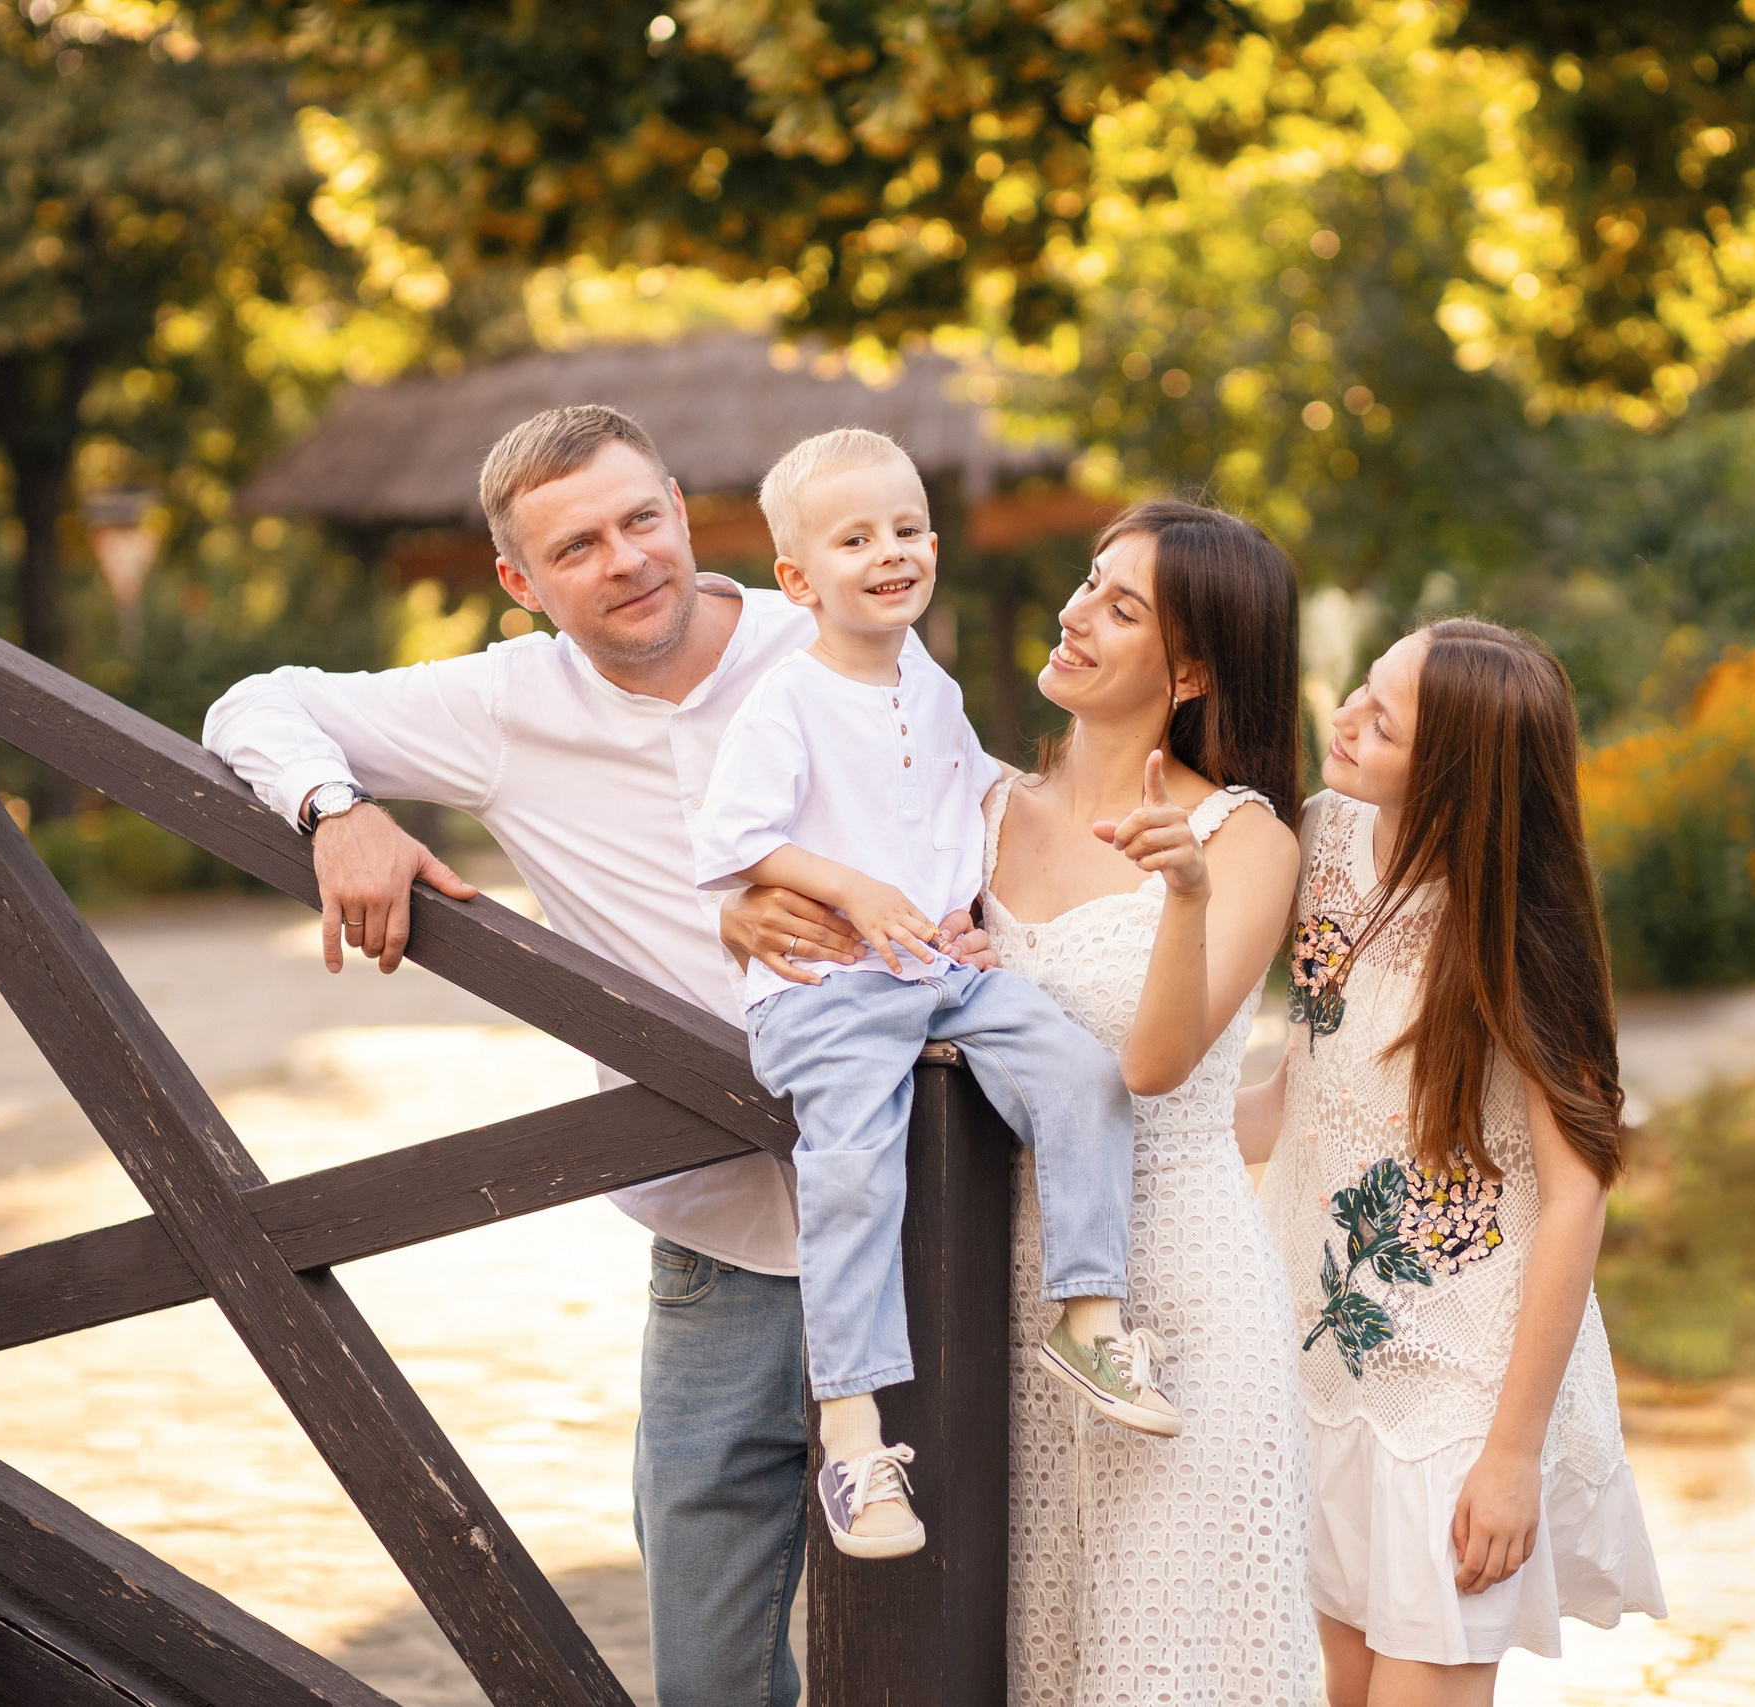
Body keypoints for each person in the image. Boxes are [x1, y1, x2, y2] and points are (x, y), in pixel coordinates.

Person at [200, 404, 987, 1707]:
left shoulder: (835, 642)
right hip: (714, 1231)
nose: (623, 559)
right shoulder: (505, 706)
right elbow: (256, 703)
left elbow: (979, 798)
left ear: (681, 509)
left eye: (638, 520)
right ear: (521, 580)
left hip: (925, 1207)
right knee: (708, 1652)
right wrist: (337, 812)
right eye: (576, 547)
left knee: (953, 1614)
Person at [691, 428, 1175, 1560]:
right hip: (828, 990)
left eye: (906, 530)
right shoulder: (786, 702)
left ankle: (1092, 1318)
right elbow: (733, 842)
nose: (889, 553)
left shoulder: (933, 686)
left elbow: (961, 810)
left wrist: (962, 905)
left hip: (938, 974)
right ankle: (855, 1443)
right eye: (854, 540)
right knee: (855, 1177)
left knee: (1078, 1072)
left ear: (934, 545)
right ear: (799, 580)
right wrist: (853, 890)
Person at [1238, 619, 1666, 1707]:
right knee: (1338, 1688)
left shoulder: (1520, 933)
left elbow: (1575, 1197)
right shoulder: (1320, 842)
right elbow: (1309, 1085)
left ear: (1454, 775)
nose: (1342, 720)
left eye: (1382, 721)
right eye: (1363, 690)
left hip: (1464, 1391)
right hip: (1324, 1353)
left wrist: (1511, 1455)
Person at [981, 497, 1322, 1704]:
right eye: (1088, 583)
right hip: (1000, 1279)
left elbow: (1154, 1064)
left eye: (1119, 609)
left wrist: (1181, 898)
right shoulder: (973, 810)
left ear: (1187, 670)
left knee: (1170, 1656)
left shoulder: (1243, 840)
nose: (1075, 614)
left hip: (1179, 1284)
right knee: (1035, 1648)